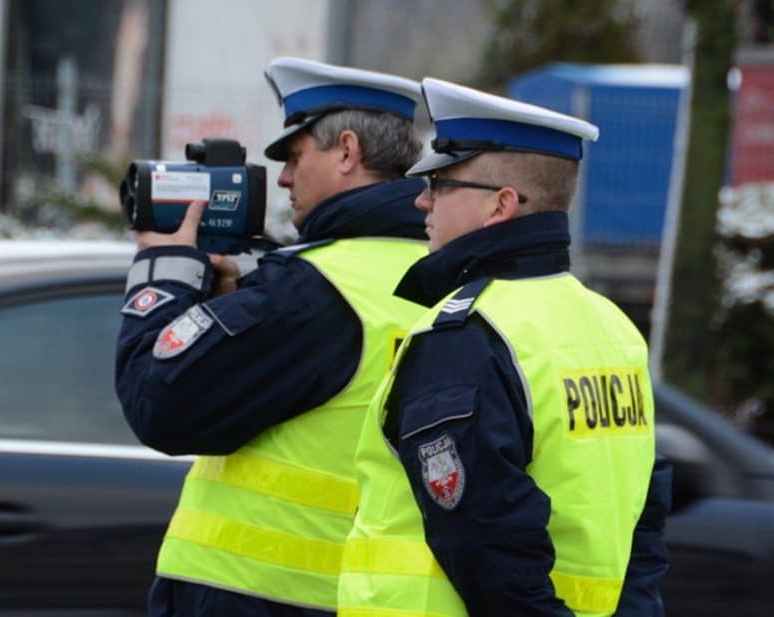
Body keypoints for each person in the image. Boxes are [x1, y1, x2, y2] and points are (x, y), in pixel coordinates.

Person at [337, 78, 672, 617]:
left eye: (441, 184)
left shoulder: (465, 337)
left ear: (501, 205)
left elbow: (485, 547)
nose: (421, 199)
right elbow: (645, 525)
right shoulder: (612, 328)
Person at [115, 57, 428, 616]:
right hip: (366, 595)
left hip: (258, 593)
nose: (282, 178)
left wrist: (161, 270)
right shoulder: (441, 276)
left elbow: (158, 402)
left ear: (348, 152)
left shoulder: (314, 290)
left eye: (294, 156)